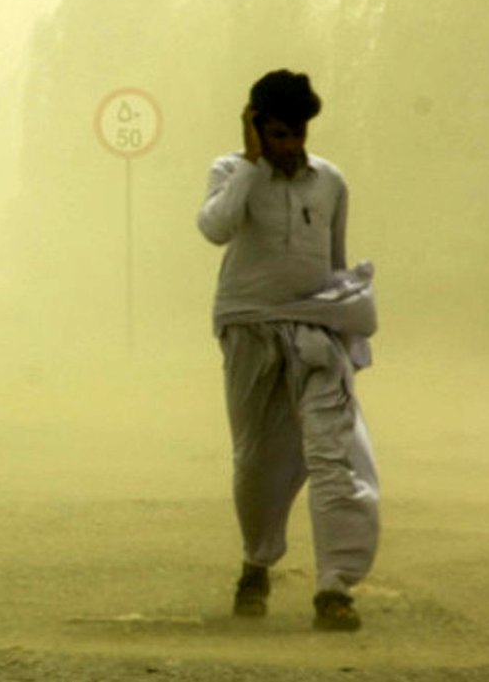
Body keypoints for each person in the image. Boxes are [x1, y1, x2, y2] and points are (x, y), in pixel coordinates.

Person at [196, 69, 380, 632]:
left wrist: (342, 328)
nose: (291, 146)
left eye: (297, 134)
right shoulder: (232, 172)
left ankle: (334, 586)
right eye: (277, 134)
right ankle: (257, 561)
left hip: (314, 331)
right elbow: (215, 229)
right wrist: (252, 165)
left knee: (333, 452)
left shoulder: (330, 182)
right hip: (249, 327)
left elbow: (334, 260)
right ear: (255, 126)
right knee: (258, 460)